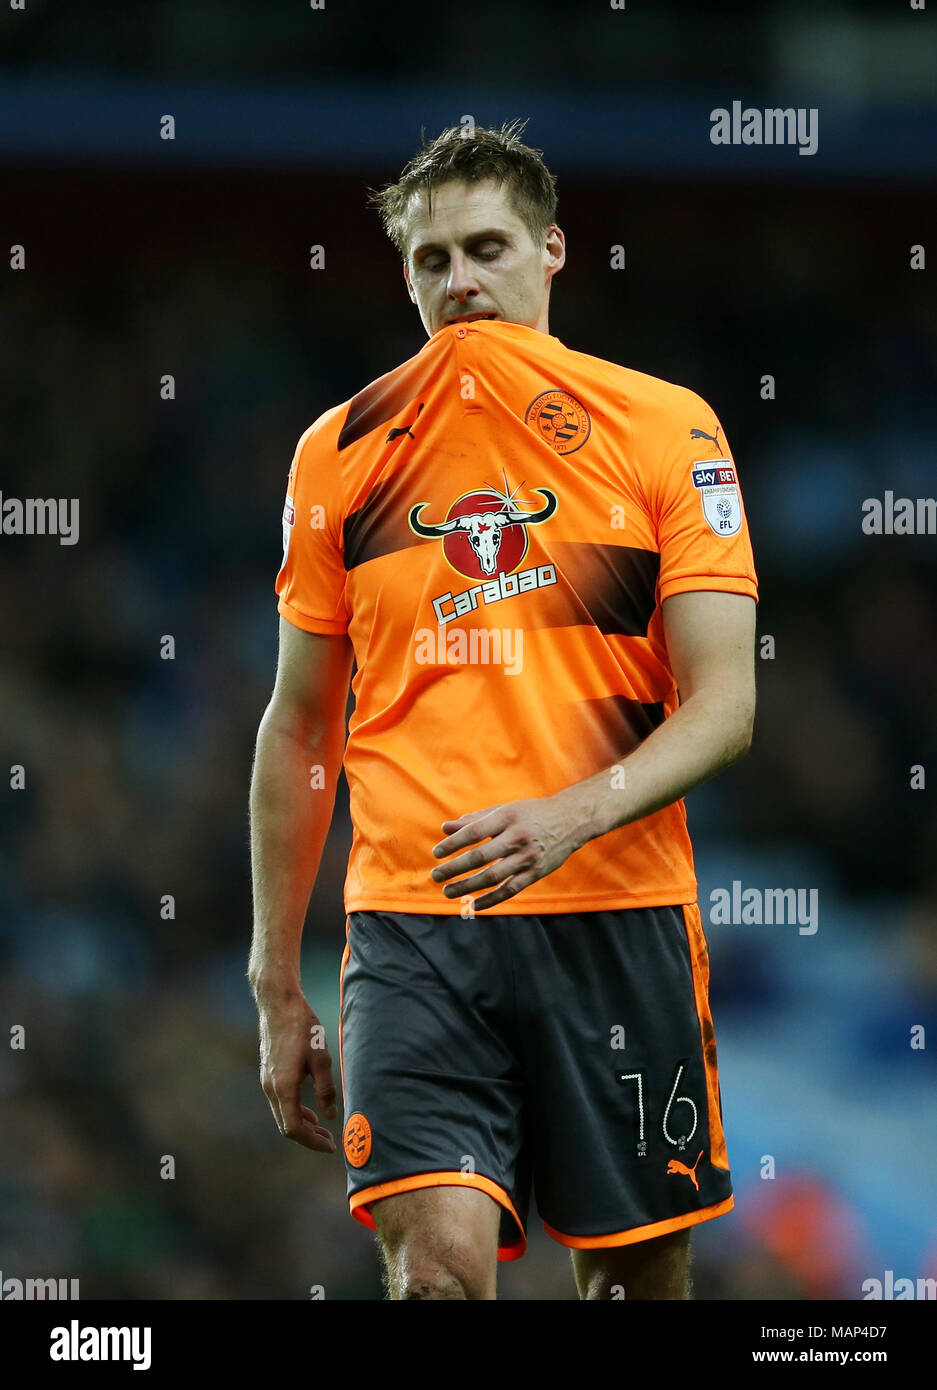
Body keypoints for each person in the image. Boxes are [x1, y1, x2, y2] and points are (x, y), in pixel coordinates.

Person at [248, 119, 758, 1301]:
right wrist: (276, 979)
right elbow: (298, 724)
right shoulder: (339, 452)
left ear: (552, 253)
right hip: (412, 922)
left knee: (634, 1283)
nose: (459, 282)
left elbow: (726, 703)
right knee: (435, 1277)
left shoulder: (664, 427)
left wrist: (569, 817)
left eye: (486, 247)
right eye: (430, 261)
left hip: (615, 911)